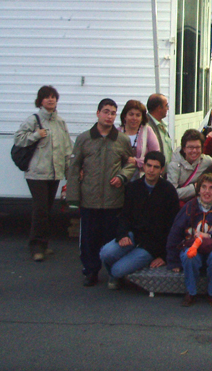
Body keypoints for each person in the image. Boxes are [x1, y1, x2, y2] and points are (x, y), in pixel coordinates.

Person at [67, 98, 135, 287]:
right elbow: (74, 168)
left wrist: (122, 177)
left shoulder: (121, 139)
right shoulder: (84, 139)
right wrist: (73, 197)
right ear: (98, 113)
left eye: (113, 113)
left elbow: (130, 164)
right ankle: (90, 271)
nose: (109, 116)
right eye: (106, 111)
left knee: (110, 240)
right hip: (90, 199)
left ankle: (113, 273)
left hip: (113, 200)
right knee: (89, 239)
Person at [98, 152, 179, 288]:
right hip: (132, 236)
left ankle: (116, 274)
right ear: (144, 166)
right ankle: (121, 269)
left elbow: (173, 226)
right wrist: (123, 235)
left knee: (117, 270)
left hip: (152, 245)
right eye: (148, 165)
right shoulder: (133, 187)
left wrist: (164, 255)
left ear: (162, 170)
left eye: (156, 167)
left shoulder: (168, 191)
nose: (151, 170)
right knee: (105, 253)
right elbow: (124, 215)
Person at [14, 85, 72, 262]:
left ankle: (44, 244)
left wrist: (69, 174)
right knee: (40, 210)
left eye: (53, 97)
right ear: (40, 101)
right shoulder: (34, 120)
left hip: (54, 174)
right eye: (46, 97)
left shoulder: (60, 122)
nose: (51, 99)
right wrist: (35, 135)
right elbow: (18, 139)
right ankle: (36, 246)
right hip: (36, 174)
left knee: (46, 210)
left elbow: (67, 149)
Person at [166, 173, 212, 307]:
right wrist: (173, 261)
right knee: (189, 256)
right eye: (204, 187)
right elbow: (175, 232)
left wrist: (211, 235)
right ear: (199, 189)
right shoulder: (189, 207)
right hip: (192, 245)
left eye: (211, 188)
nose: (207, 191)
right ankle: (191, 292)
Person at [167, 129, 212, 203]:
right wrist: (195, 188)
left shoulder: (207, 161)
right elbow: (171, 193)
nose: (194, 151)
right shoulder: (174, 165)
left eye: (198, 147)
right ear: (184, 149)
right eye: (191, 147)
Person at [118, 99, 160, 179]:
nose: (134, 118)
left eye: (138, 115)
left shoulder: (147, 131)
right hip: (120, 177)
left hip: (142, 177)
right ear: (124, 116)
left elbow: (156, 155)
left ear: (142, 118)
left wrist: (137, 162)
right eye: (131, 114)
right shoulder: (117, 132)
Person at [146, 94, 173, 170]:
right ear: (159, 108)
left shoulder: (162, 125)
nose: (167, 108)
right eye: (166, 105)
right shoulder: (147, 127)